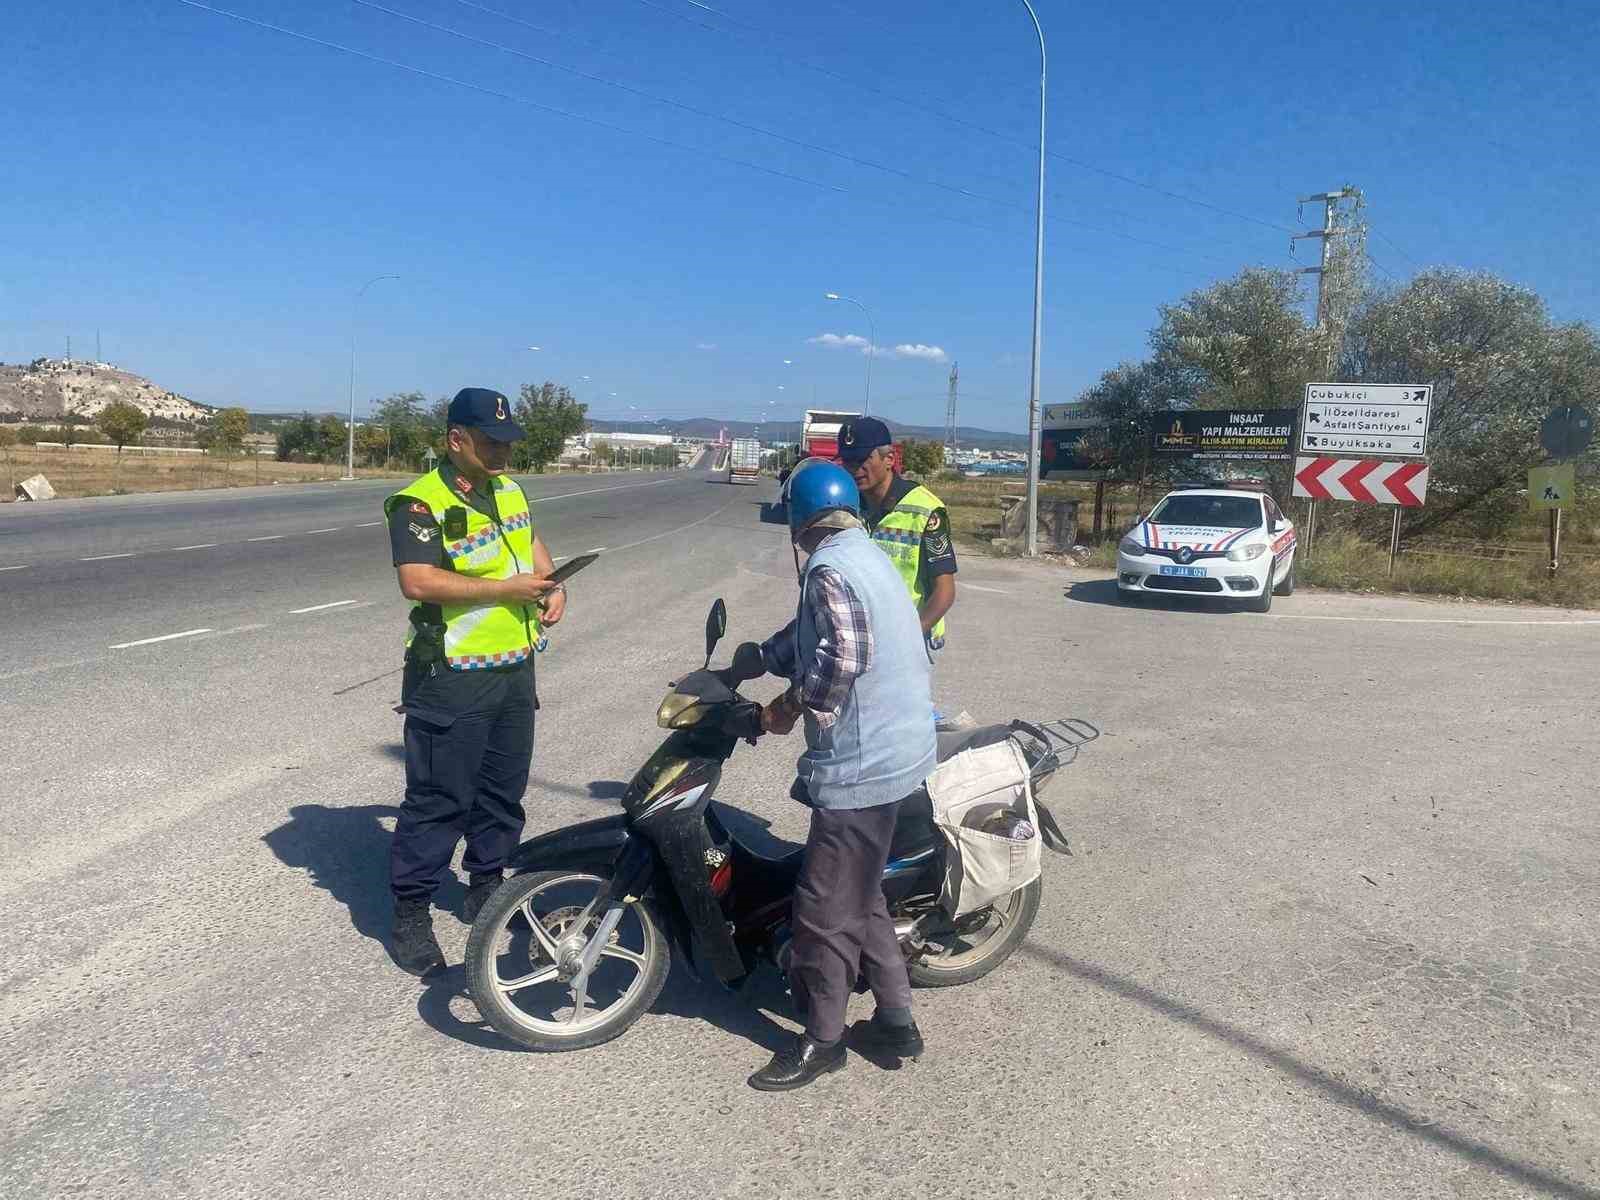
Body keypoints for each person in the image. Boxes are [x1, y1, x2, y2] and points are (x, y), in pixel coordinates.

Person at [748, 460, 938, 1091]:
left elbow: (846, 653)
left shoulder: (827, 566)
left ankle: (824, 1041)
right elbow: (818, 630)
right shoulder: (867, 553)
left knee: (824, 907)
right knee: (861, 895)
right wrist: (755, 661)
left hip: (864, 764)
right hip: (901, 752)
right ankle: (896, 1019)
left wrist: (789, 704)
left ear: (802, 523)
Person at [382, 387, 567, 976]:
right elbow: (417, 581)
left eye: (508, 441)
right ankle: (411, 911)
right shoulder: (418, 502)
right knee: (440, 799)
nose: (502, 452)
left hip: (514, 668)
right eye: (490, 441)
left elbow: (531, 546)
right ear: (455, 438)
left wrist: (553, 584)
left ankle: (487, 886)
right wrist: (504, 591)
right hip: (451, 676)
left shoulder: (509, 489)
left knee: (501, 792)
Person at [836, 416, 957, 649]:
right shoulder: (846, 506)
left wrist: (909, 638)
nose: (854, 469)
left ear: (889, 458)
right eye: (848, 461)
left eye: (862, 459)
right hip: (859, 635)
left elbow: (945, 591)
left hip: (909, 638)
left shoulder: (924, 510)